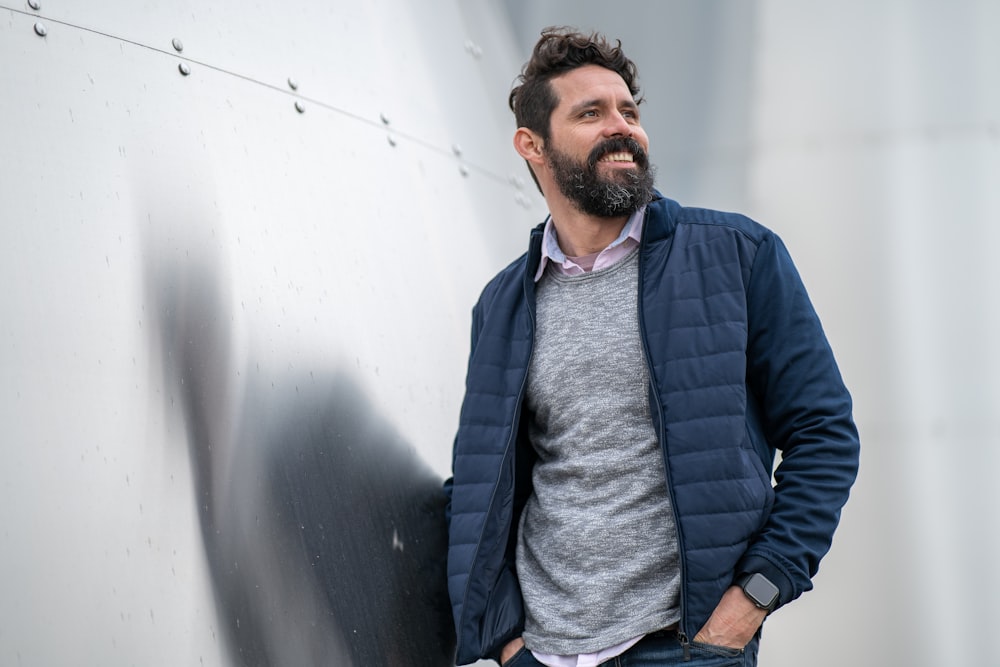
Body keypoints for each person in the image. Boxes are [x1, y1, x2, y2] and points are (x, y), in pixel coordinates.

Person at [443, 27, 860, 667]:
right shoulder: (503, 305)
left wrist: (754, 596)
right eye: (591, 113)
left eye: (629, 112)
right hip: (545, 653)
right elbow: (484, 483)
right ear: (532, 145)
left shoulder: (738, 256)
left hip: (688, 646)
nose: (623, 127)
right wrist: (505, 641)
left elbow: (823, 432)